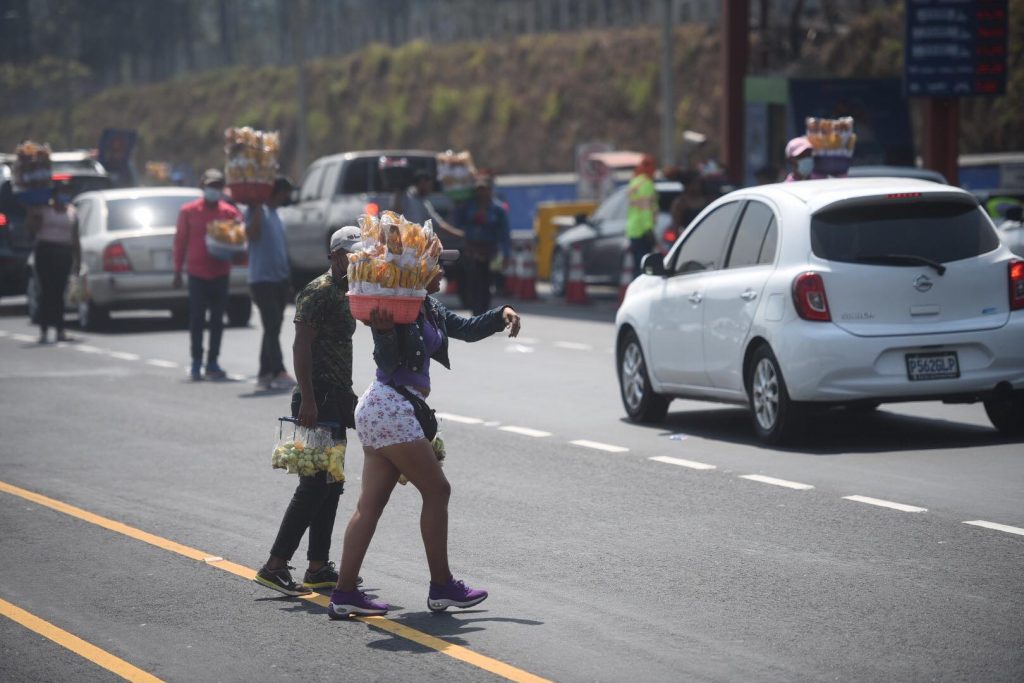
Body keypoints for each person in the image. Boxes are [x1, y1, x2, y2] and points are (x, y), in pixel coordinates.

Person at [326, 268, 522, 618]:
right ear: (416, 271)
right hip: (390, 407)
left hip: (382, 407)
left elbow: (464, 328)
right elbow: (386, 359)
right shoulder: (396, 308)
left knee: (370, 506)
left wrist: (500, 314)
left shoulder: (426, 304)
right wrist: (383, 333)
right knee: (437, 491)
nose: (443, 271)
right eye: (435, 265)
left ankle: (344, 593)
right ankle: (441, 585)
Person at [254, 226, 362, 596]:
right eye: (350, 254)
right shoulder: (317, 292)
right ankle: (275, 564)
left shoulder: (351, 291)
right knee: (314, 485)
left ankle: (317, 566)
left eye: (360, 254)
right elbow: (301, 346)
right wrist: (310, 400)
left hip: (337, 395)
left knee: (332, 484)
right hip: (318, 398)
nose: (355, 260)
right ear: (334, 256)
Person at [173, 169, 241, 380]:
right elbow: (180, 242)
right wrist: (177, 271)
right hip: (197, 273)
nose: (213, 190)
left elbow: (240, 240)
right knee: (197, 319)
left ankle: (213, 362)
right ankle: (196, 361)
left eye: (217, 186)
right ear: (203, 187)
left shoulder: (229, 212)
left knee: (217, 320)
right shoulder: (189, 211)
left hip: (220, 272)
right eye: (210, 186)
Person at [245, 176, 296, 390]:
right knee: (271, 324)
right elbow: (252, 234)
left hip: (279, 279)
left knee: (273, 326)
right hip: (261, 279)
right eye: (284, 194)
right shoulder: (256, 211)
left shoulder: (277, 214)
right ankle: (278, 370)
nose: (286, 198)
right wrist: (257, 206)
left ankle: (264, 372)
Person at [26, 181, 80, 344]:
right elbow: (32, 229)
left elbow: (75, 238)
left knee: (59, 293)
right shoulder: (43, 210)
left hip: (64, 254)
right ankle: (44, 331)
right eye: (62, 192)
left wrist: (78, 260)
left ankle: (60, 330)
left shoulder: (72, 212)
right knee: (46, 292)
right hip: (45, 252)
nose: (64, 195)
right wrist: (32, 214)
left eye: (67, 192)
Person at [455, 174, 510, 315]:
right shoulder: (468, 206)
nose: (481, 192)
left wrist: (506, 255)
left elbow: (504, 234)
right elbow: (457, 221)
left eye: (484, 189)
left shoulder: (498, 209)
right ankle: (474, 310)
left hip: (489, 250)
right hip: (471, 249)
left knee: (486, 281)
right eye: (479, 189)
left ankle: (483, 311)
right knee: (471, 280)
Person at [626, 154, 657, 277]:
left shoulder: (635, 182)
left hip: (633, 230)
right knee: (644, 268)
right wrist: (649, 229)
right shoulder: (647, 184)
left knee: (637, 267)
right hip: (643, 231)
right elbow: (646, 209)